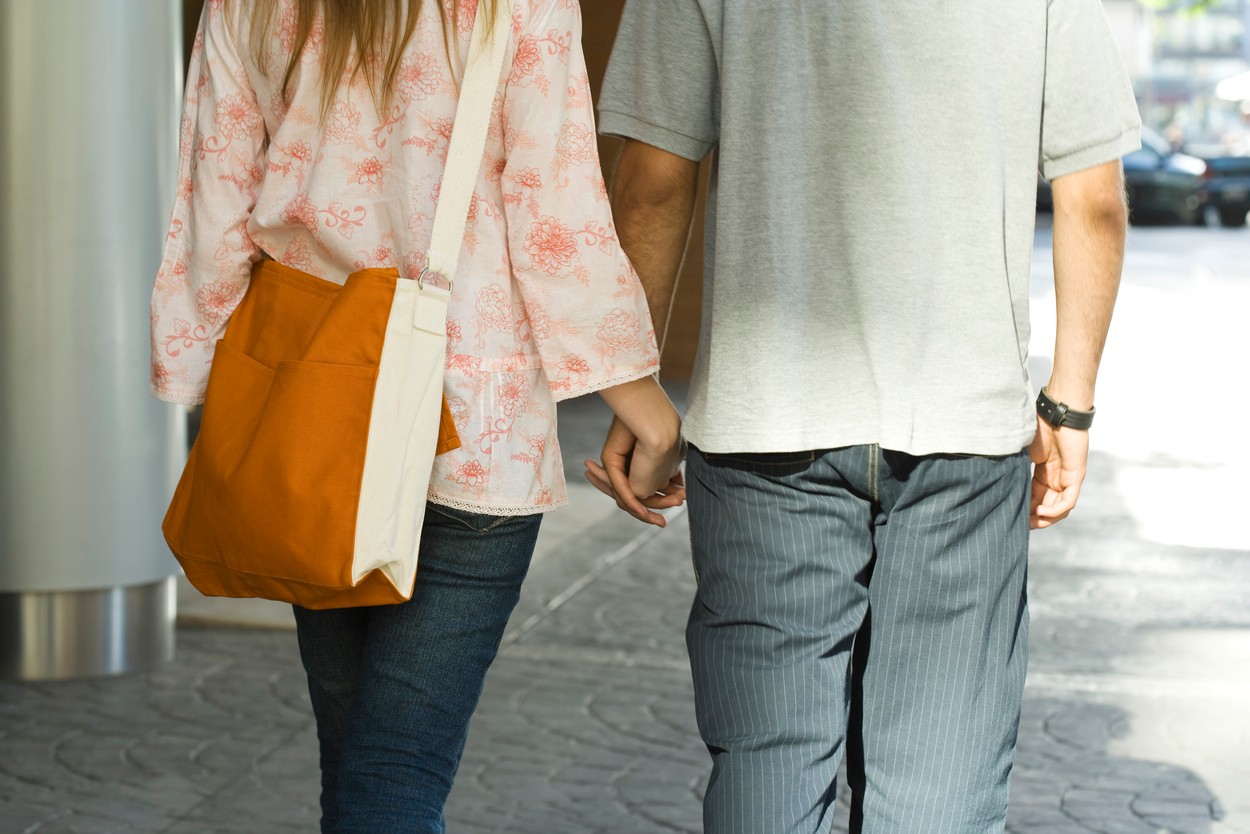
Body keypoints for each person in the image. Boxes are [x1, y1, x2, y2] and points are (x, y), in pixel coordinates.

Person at [585, 2, 1139, 831]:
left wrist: (633, 377)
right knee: (939, 786)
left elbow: (652, 181)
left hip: (767, 424)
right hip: (963, 433)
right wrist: (1069, 401)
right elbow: (1094, 198)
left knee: (767, 764)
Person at [149, 0, 683, 831]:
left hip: (317, 404)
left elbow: (213, 197)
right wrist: (641, 401)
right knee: (393, 771)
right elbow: (555, 207)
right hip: (479, 423)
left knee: (359, 767)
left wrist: (194, 370)